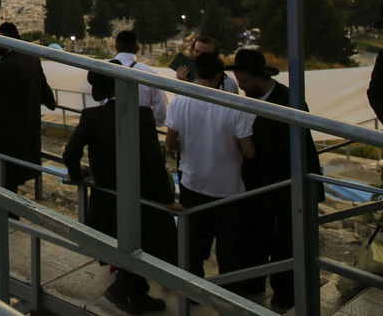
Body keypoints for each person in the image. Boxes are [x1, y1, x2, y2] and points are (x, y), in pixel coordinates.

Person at [63, 68, 174, 314]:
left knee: (120, 243)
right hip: (140, 195)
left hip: (106, 196)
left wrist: (76, 173)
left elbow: (70, 153)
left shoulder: (91, 116)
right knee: (141, 243)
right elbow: (154, 160)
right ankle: (131, 292)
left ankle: (130, 290)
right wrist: (166, 198)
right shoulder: (141, 114)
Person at [227, 49, 321, 309]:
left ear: (259, 77)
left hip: (284, 188)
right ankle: (253, 285)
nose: (242, 88)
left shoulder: (289, 101)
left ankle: (285, 295)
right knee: (255, 239)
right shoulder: (254, 99)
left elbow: (297, 149)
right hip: (258, 189)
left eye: (245, 82)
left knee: (284, 244)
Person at [163, 52, 254, 284]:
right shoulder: (234, 106)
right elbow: (249, 151)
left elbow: (170, 142)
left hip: (192, 182)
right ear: (219, 75)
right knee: (228, 246)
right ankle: (228, 291)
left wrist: (188, 150)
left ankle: (191, 289)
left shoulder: (180, 100)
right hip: (227, 188)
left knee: (193, 243)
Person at [0, 23, 57, 191]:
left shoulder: (4, 64)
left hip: (0, 134)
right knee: (12, 179)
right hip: (23, 131)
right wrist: (51, 103)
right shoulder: (32, 58)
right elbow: (43, 87)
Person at [110, 30, 167, 126]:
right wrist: (149, 124)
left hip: (109, 126)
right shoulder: (150, 74)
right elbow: (161, 112)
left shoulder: (101, 69)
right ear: (137, 48)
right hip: (140, 128)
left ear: (116, 47)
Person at [174, 35, 239, 93]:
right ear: (192, 51)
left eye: (205, 54)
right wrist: (183, 84)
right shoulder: (184, 75)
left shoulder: (228, 83)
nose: (200, 56)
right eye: (197, 51)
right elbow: (179, 100)